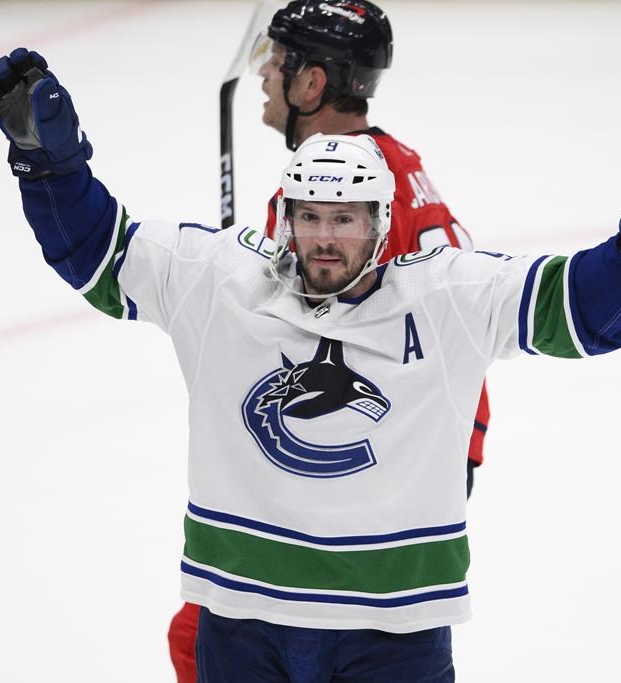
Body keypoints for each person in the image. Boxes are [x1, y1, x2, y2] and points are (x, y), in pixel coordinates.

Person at [0, 47, 621, 682]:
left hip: (392, 633)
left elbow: (577, 312)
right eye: (309, 216)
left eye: (346, 219)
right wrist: (48, 166)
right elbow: (97, 254)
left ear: (382, 221)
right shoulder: (221, 281)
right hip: (243, 620)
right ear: (287, 214)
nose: (324, 237)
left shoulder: (444, 294)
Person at [170, 3, 492, 679]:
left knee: (208, 629)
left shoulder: (344, 199)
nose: (263, 75)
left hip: (373, 462)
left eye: (278, 60)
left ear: (311, 84)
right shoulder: (388, 169)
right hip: (412, 450)